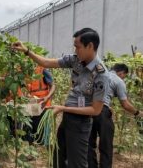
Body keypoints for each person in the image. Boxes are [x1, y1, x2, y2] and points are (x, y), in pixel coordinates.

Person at [12, 28, 109, 168]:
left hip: (81, 123)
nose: (75, 50)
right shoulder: (75, 60)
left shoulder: (101, 75)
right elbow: (46, 63)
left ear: (90, 46)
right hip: (68, 119)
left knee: (77, 163)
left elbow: (95, 110)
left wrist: (63, 108)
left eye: (78, 47)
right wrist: (26, 51)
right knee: (59, 157)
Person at [88, 63, 143, 168]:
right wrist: (137, 113)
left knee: (89, 144)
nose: (124, 78)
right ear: (121, 72)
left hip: (88, 110)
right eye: (124, 76)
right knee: (106, 145)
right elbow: (125, 104)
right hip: (102, 112)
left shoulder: (98, 75)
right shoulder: (118, 81)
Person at [23, 65, 56, 144]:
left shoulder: (42, 70)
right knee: (30, 129)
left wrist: (47, 97)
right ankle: (31, 151)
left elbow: (53, 86)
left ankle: (44, 147)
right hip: (31, 105)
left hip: (43, 105)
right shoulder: (24, 70)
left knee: (42, 131)